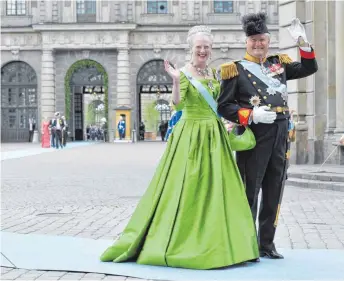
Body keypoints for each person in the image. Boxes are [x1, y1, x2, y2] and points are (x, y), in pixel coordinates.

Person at [100, 25, 259, 269]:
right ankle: (184, 241)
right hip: (191, 136)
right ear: (191, 49)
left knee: (220, 188)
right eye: (199, 47)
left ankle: (226, 244)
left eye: (206, 47)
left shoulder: (214, 74)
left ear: (211, 49)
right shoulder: (184, 73)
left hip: (214, 135)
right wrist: (175, 81)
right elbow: (177, 105)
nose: (203, 51)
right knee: (187, 187)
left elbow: (218, 104)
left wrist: (227, 122)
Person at [217, 13, 318, 259]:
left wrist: (303, 44)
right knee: (249, 190)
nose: (258, 44)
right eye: (253, 40)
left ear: (268, 40)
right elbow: (223, 106)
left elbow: (309, 67)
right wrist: (250, 115)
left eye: (261, 39)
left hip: (280, 132)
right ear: (246, 42)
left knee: (274, 188)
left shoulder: (278, 64)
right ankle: (247, 244)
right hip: (254, 135)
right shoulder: (235, 70)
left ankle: (266, 244)